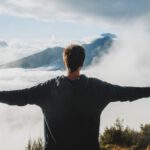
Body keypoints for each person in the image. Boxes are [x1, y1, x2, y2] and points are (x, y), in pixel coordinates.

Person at [0, 44, 150, 150]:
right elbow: (127, 93)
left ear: (65, 62)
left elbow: (19, 96)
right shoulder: (98, 88)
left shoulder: (47, 89)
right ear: (82, 64)